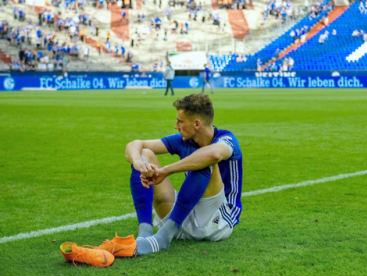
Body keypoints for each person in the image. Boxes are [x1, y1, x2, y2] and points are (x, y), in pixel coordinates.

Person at [62, 94, 243, 265]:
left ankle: (164, 236)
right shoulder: (183, 139)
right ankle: (145, 232)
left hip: (217, 223)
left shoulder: (226, 139)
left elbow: (214, 153)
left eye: (180, 122)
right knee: (145, 153)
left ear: (196, 123)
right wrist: (138, 162)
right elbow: (135, 145)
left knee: (206, 160)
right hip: (184, 218)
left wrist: (166, 170)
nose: (176, 126)